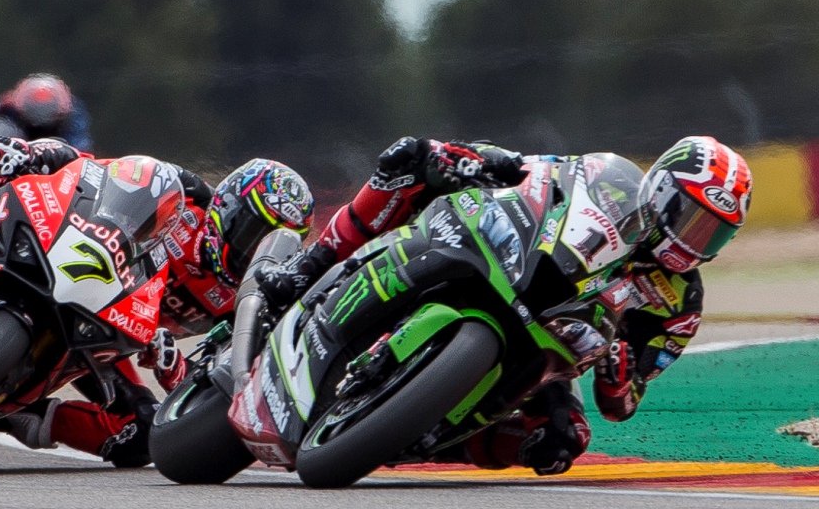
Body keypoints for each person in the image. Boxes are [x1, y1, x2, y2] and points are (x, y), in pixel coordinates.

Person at [0, 136, 313, 466]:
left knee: (140, 437)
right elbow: (97, 174)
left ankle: (3, 411)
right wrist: (34, 156)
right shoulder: (186, 196)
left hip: (109, 335)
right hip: (65, 257)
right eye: (249, 233)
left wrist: (172, 364)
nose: (251, 252)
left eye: (270, 246)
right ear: (226, 206)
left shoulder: (243, 303)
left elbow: (207, 386)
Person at [258, 134, 751, 478]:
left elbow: (622, 404)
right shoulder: (611, 178)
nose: (697, 239)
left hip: (556, 346)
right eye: (693, 219)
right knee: (411, 161)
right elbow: (535, 169)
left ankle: (415, 437)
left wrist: (621, 376)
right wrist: (475, 160)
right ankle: (314, 264)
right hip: (515, 264)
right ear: (662, 192)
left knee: (566, 438)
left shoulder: (681, 302)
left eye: (715, 233)